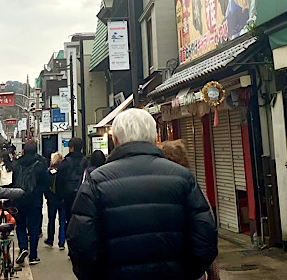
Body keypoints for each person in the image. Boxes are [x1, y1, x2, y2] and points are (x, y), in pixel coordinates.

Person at [67, 109, 218, 280]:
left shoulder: (96, 182)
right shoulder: (182, 177)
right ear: (155, 138)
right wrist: (187, 272)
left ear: (115, 140)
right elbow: (205, 236)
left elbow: (81, 243)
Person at [158, 140, 221, 280]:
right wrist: (214, 274)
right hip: (191, 270)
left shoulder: (152, 194)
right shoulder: (193, 191)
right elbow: (206, 232)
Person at [11, 141, 52, 267]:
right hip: (35, 200)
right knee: (34, 228)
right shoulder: (40, 165)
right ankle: (33, 255)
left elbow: (14, 182)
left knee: (20, 225)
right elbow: (47, 183)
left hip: (20, 199)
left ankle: (23, 247)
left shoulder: (17, 164)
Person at [55, 137, 89, 240]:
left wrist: (59, 197)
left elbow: (59, 181)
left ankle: (70, 241)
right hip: (83, 195)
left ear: (72, 148)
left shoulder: (65, 163)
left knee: (69, 221)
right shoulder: (86, 162)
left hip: (68, 196)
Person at [44, 153, 66, 249]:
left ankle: (50, 240)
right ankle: (61, 242)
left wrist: (47, 196)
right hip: (62, 199)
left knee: (51, 220)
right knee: (62, 221)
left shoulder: (48, 172)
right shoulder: (63, 170)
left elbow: (45, 186)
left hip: (52, 199)